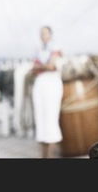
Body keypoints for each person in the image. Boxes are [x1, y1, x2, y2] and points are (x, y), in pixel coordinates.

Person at [30, 26, 64, 158]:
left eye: (45, 33)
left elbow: (52, 66)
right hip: (40, 84)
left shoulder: (55, 47)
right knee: (40, 118)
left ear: (50, 34)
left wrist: (39, 66)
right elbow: (36, 68)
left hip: (52, 83)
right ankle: (44, 156)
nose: (43, 36)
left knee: (51, 117)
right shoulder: (38, 50)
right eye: (41, 33)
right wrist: (42, 66)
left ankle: (51, 155)